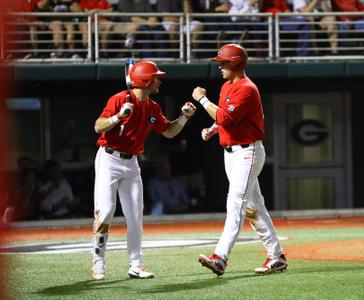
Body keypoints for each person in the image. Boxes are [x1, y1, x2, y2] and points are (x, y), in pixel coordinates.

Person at [91, 60, 196, 280]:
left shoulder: (152, 106)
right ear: (145, 80)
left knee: (135, 216)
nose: (159, 80)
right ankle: (98, 260)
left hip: (131, 163)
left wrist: (184, 117)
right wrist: (118, 116)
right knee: (106, 211)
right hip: (109, 158)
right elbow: (98, 126)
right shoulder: (119, 99)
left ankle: (136, 265)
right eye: (155, 77)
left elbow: (168, 132)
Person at [191, 44, 287, 276]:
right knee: (255, 208)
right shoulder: (227, 86)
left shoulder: (247, 88)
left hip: (248, 151)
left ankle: (220, 257)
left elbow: (224, 115)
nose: (220, 66)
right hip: (231, 152)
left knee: (236, 204)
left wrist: (202, 100)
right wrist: (213, 129)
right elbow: (225, 118)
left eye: (223, 62)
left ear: (235, 63)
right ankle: (277, 256)